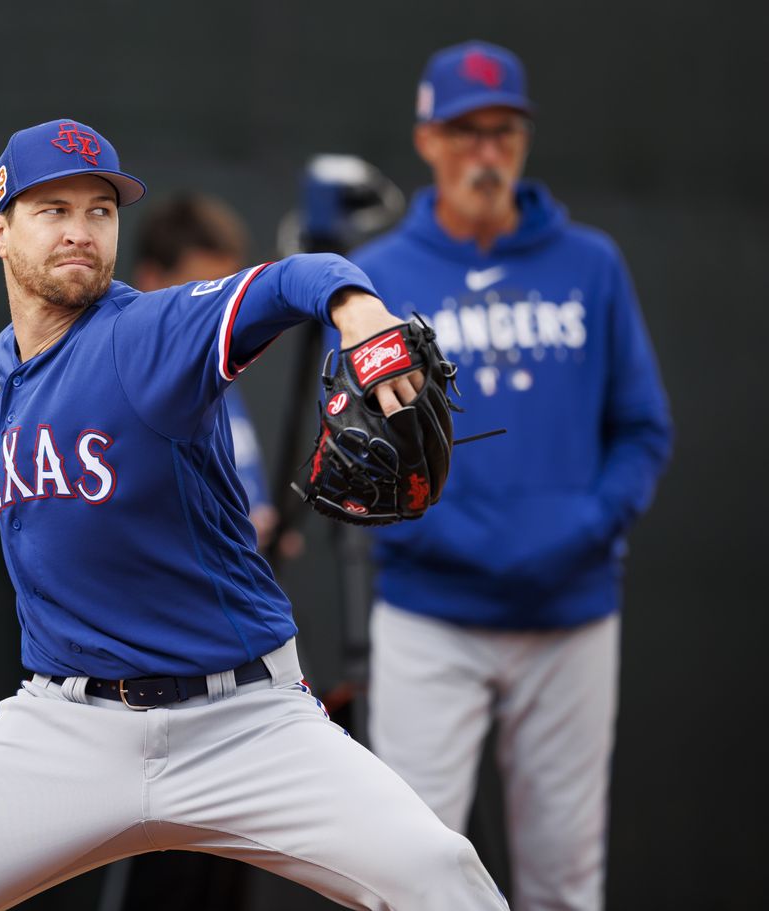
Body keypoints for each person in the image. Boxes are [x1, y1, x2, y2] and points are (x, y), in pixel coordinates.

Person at [0, 117, 508, 911]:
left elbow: (289, 279)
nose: (80, 231)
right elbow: (6, 403)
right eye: (53, 210)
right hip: (65, 731)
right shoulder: (14, 359)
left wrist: (352, 304)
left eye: (99, 210)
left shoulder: (153, 332)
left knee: (440, 877)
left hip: (243, 724)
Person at [344, 42, 674, 911]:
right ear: (427, 138)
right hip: (430, 614)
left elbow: (643, 428)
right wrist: (457, 536)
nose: (485, 152)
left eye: (502, 132)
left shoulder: (590, 264)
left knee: (564, 879)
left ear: (522, 140)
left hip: (570, 613)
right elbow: (361, 452)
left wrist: (584, 528)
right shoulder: (382, 275)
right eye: (465, 132)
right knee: (401, 872)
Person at [132, 192, 288, 554]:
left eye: (228, 292)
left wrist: (259, 524)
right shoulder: (131, 383)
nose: (218, 310)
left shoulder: (215, 365)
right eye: (203, 290)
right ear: (151, 279)